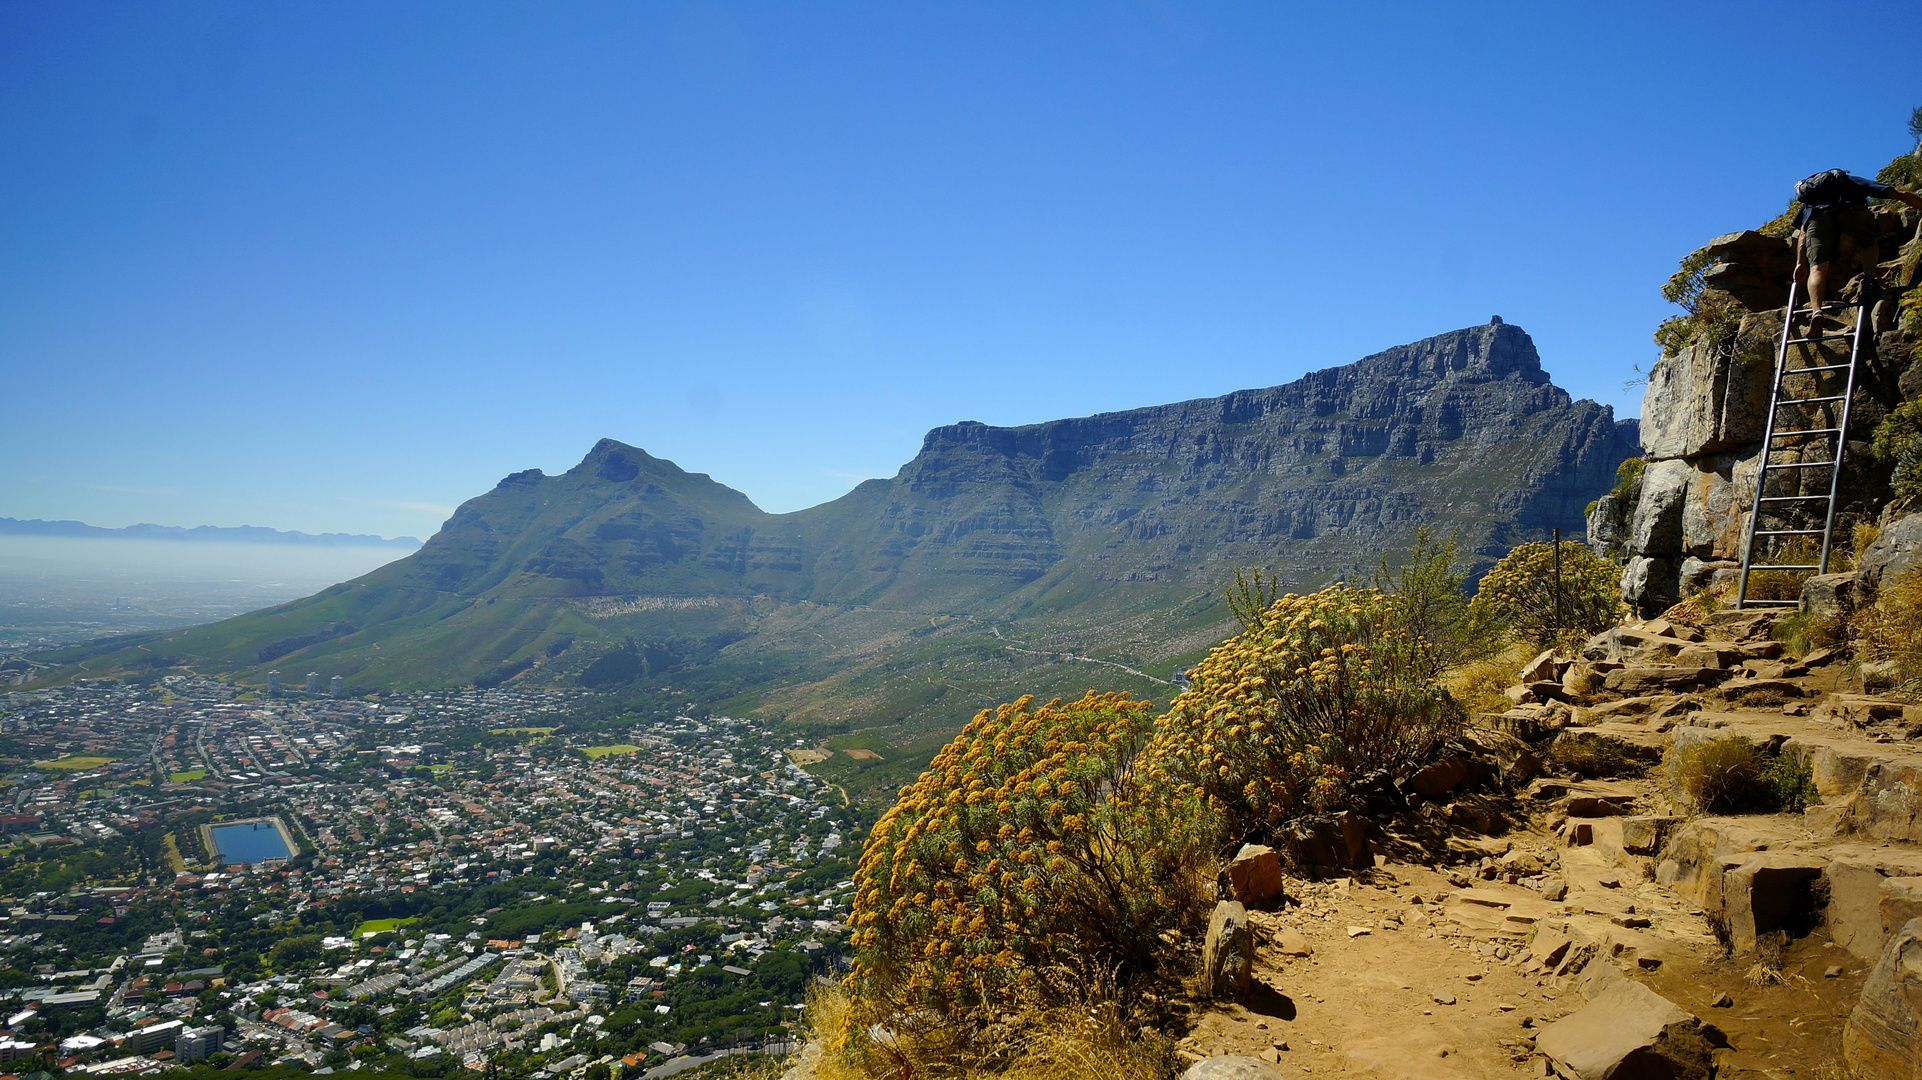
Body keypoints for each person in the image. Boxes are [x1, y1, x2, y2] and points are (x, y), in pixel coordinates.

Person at [1791, 168, 1922, 321]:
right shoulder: (1851, 181)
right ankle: (1869, 279)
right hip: (1851, 210)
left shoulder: (1811, 198)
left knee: (1817, 269)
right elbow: (1897, 193)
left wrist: (1800, 263)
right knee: (1868, 243)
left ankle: (1817, 312)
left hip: (1818, 218)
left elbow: (1802, 234)